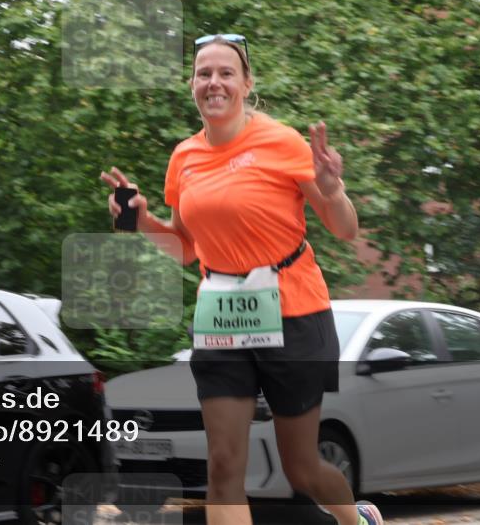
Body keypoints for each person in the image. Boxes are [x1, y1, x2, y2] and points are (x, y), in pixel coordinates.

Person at [100, 35, 383, 525]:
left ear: (247, 84)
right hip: (222, 316)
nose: (214, 83)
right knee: (224, 467)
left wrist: (333, 190)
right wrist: (142, 220)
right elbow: (186, 249)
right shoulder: (184, 158)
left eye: (226, 73)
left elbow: (345, 229)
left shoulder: (282, 142)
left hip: (294, 312)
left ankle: (355, 519)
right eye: (203, 73)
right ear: (192, 84)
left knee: (302, 469)